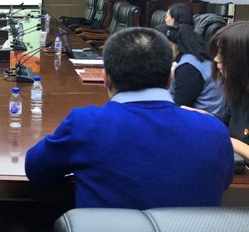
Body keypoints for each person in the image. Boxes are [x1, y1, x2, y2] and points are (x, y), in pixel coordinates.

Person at [25, 27, 233, 209]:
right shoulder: (214, 130)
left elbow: (36, 170)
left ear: (105, 79)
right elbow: (222, 183)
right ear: (171, 79)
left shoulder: (86, 123)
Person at [155, 23, 224, 113]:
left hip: (202, 118)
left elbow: (181, 107)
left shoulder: (188, 68)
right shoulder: (195, 58)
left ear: (169, 44)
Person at [207, 22, 249, 162]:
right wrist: (196, 116)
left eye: (223, 53)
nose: (216, 59)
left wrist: (232, 142)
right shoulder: (239, 90)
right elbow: (226, 122)